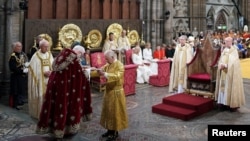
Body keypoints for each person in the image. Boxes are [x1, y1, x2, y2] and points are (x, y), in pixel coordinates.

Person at [36, 46, 92, 139]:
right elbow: (79, 77)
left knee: (56, 107)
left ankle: (55, 128)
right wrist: (87, 73)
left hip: (55, 86)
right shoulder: (73, 58)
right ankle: (64, 130)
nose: (80, 57)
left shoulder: (62, 54)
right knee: (65, 107)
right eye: (81, 55)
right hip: (66, 89)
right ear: (79, 52)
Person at [91, 50, 128, 141]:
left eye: (107, 59)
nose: (106, 61)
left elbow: (117, 76)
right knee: (108, 112)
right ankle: (109, 130)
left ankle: (115, 132)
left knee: (115, 113)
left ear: (112, 57)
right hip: (108, 92)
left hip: (117, 93)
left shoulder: (119, 65)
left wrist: (105, 74)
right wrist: (89, 72)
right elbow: (101, 71)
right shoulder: (108, 65)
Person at [215, 37, 245, 112]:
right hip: (223, 72)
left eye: (226, 41)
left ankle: (229, 104)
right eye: (225, 41)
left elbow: (234, 62)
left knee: (229, 87)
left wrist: (225, 65)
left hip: (230, 73)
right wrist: (221, 64)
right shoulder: (224, 50)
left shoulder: (234, 50)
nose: (225, 43)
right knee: (223, 87)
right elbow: (221, 59)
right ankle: (222, 103)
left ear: (230, 42)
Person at [28, 39, 54, 119]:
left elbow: (53, 65)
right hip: (40, 81)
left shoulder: (49, 54)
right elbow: (32, 70)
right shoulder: (36, 56)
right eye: (45, 47)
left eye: (48, 47)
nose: (47, 48)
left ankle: (49, 114)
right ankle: (40, 114)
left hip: (49, 80)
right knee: (41, 97)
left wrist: (51, 72)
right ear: (41, 47)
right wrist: (43, 73)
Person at [8, 41, 29, 110]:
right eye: (18, 46)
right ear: (14, 48)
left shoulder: (22, 54)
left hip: (22, 76)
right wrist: (22, 71)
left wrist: (26, 68)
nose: (20, 48)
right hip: (16, 76)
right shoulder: (13, 56)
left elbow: (25, 62)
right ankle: (15, 104)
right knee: (15, 90)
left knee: (21, 89)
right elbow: (13, 67)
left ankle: (20, 102)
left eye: (21, 46)